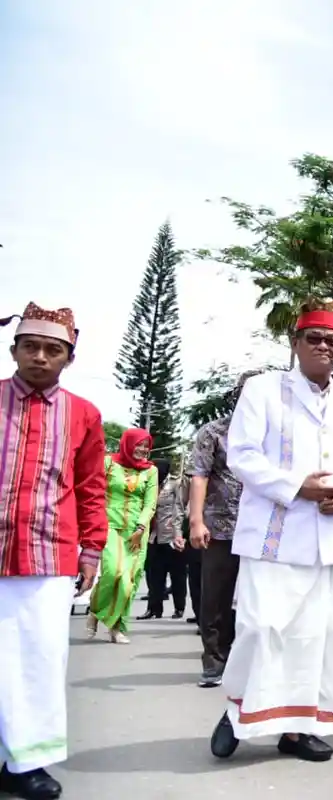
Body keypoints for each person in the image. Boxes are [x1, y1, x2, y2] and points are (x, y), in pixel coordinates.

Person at [208, 299, 333, 764]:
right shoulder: (263, 390)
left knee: (319, 634)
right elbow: (241, 455)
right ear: (295, 342)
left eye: (332, 340)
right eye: (314, 338)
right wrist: (295, 487)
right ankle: (237, 713)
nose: (323, 346)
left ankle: (300, 729)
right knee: (262, 628)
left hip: (327, 539)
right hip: (273, 536)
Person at [0, 303, 107, 800]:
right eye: (31, 346)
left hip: (48, 556)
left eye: (53, 349)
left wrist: (92, 550)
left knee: (38, 661)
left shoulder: (83, 414)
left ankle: (29, 764)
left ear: (68, 358)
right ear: (13, 350)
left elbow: (90, 487)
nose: (40, 357)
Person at [189, 369, 261, 688]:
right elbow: (199, 475)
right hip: (220, 527)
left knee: (258, 600)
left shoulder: (274, 436)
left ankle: (254, 663)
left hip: (263, 530)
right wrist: (196, 520)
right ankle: (214, 661)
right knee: (215, 597)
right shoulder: (214, 432)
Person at [87, 428, 159, 644]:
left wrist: (139, 528)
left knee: (129, 581)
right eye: (139, 444)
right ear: (128, 444)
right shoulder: (108, 463)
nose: (143, 450)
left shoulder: (151, 471)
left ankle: (117, 627)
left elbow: (150, 503)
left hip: (137, 531)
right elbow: (95, 491)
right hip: (109, 526)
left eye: (146, 446)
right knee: (113, 573)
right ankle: (95, 611)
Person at [140, 459, 188, 621]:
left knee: (177, 575)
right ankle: (153, 609)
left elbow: (181, 506)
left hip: (172, 536)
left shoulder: (175, 484)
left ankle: (179, 608)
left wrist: (178, 530)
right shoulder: (150, 484)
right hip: (154, 536)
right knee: (154, 576)